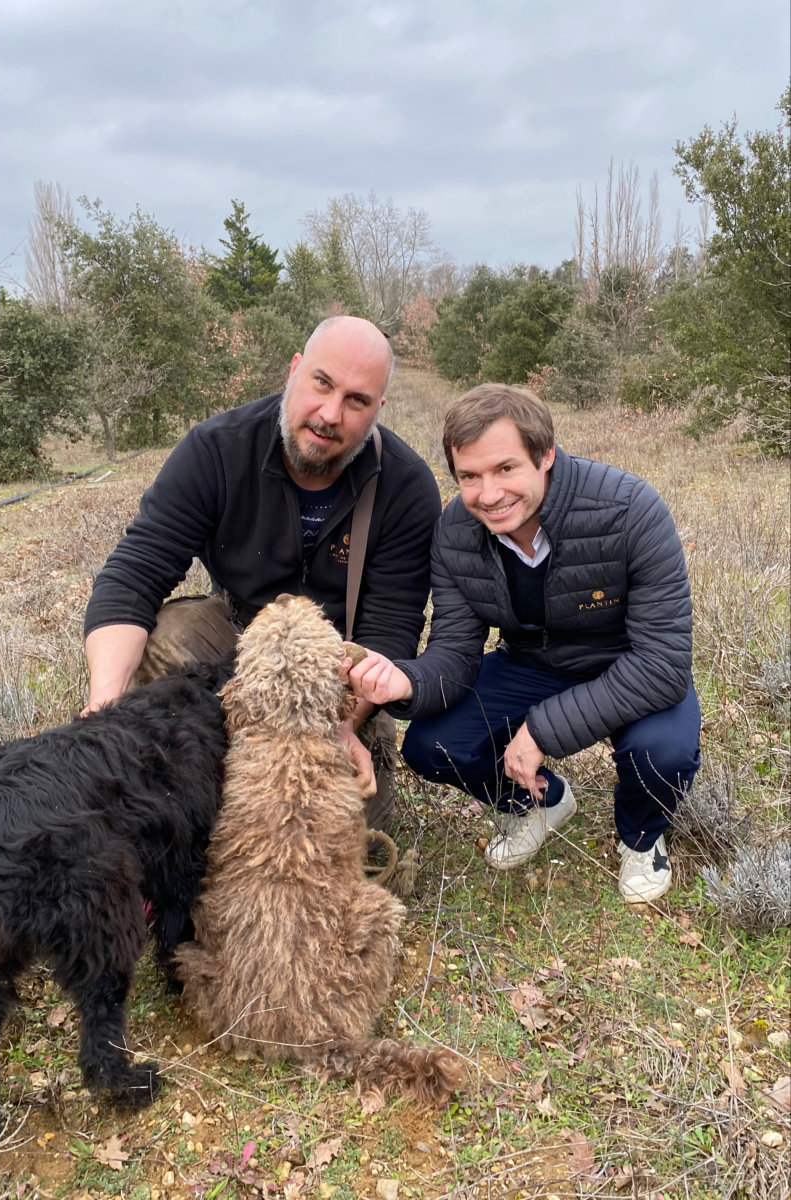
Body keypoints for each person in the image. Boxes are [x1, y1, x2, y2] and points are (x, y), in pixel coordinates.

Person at [83, 315, 442, 832]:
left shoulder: (405, 487)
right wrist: (104, 708)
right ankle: (181, 790)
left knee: (346, 842)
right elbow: (135, 574)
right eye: (321, 383)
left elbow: (391, 631)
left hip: (340, 669)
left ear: (378, 410)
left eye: (357, 401)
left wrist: (341, 724)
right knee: (164, 637)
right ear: (294, 371)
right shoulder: (216, 450)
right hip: (236, 636)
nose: (329, 414)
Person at [348, 383, 701, 902]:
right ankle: (540, 803)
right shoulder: (455, 532)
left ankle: (641, 836)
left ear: (545, 456)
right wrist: (407, 680)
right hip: (530, 665)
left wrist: (541, 730)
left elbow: (663, 663)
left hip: (630, 666)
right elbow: (454, 651)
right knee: (430, 745)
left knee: (661, 752)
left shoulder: (630, 509)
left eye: (505, 469)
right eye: (469, 476)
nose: (488, 495)